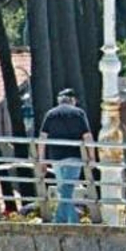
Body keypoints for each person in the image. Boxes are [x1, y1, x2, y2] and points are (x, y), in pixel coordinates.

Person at [38, 88, 92, 225]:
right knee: (67, 190)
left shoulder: (50, 114)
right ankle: (65, 222)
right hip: (74, 157)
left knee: (64, 190)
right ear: (73, 100)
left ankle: (65, 221)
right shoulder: (79, 113)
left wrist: (42, 160)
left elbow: (42, 138)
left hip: (56, 158)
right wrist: (92, 156)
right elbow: (87, 136)